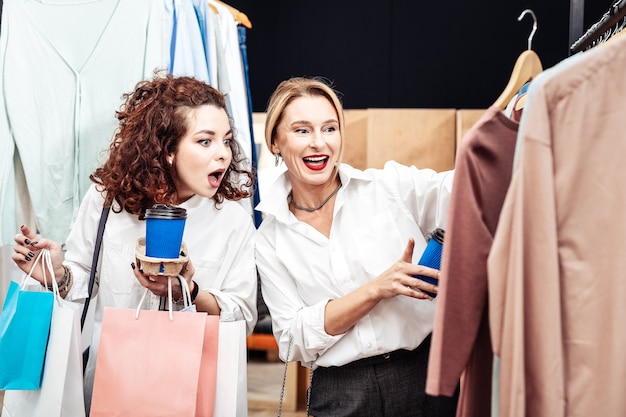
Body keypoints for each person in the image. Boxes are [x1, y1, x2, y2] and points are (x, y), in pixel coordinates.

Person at [11, 72, 258, 412]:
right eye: (205, 141)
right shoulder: (106, 203)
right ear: (168, 150)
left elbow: (242, 315)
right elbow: (86, 275)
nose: (223, 155)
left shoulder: (233, 222)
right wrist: (57, 273)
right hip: (113, 381)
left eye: (226, 140)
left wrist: (190, 291)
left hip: (196, 390)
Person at [255, 76, 458, 417]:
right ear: (275, 141)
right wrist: (375, 289)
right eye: (302, 130)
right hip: (341, 393)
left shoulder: (389, 188)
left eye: (330, 128)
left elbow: (462, 189)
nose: (319, 143)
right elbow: (292, 339)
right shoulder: (270, 238)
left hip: (422, 376)